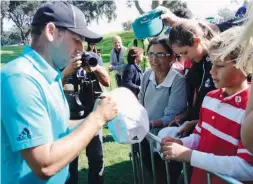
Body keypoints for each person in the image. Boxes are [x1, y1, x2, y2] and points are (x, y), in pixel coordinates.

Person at [1, 2, 118, 184]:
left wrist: (94, 120)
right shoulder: (20, 78)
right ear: (51, 31)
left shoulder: (51, 75)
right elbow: (44, 164)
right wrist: (97, 118)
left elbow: (57, 127)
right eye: (77, 40)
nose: (81, 49)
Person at [160, 27, 253, 184]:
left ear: (244, 65)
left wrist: (188, 155)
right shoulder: (210, 98)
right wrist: (182, 144)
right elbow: (200, 136)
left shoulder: (248, 111)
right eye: (212, 64)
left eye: (220, 65)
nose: (212, 71)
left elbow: (246, 168)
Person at [138, 36, 188, 183]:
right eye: (151, 54)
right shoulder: (147, 74)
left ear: (172, 57)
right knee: (152, 173)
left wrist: (151, 123)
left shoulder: (178, 81)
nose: (154, 59)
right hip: (145, 136)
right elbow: (140, 101)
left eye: (160, 55)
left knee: (164, 178)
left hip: (165, 141)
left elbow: (171, 116)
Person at [62, 51, 110, 184]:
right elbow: (52, 88)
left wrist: (96, 68)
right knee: (69, 162)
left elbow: (107, 82)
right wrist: (67, 71)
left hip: (92, 117)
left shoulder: (92, 57)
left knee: (96, 159)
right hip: (69, 120)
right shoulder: (61, 59)